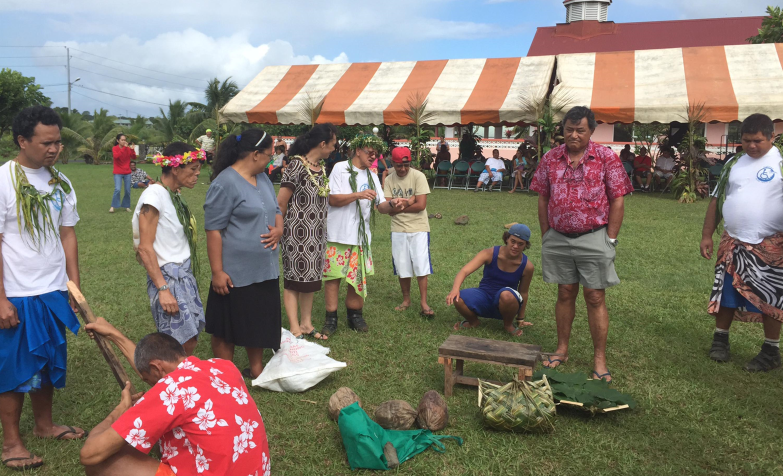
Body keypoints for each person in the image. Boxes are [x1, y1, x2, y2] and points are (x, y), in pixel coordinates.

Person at [0, 105, 85, 471]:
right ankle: (10, 443)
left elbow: (68, 234)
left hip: (52, 290)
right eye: (46, 142)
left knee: (48, 362)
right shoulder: (3, 180)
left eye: (58, 142)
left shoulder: (60, 182)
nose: (54, 149)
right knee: (14, 369)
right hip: (16, 293)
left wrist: (73, 285)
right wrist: (0, 298)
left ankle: (45, 426)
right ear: (22, 140)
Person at [79, 318, 270, 476]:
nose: (152, 387)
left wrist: (122, 409)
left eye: (149, 380)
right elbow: (152, 367)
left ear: (157, 368)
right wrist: (114, 334)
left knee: (103, 462)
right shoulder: (223, 367)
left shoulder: (170, 391)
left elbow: (89, 454)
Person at [530, 106, 634, 382]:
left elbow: (618, 198)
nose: (574, 135)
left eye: (580, 130)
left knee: (595, 296)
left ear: (591, 131)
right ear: (562, 130)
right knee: (564, 292)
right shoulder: (551, 159)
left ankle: (599, 359)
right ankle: (562, 349)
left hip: (594, 236)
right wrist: (546, 234)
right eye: (569, 130)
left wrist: (610, 238)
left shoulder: (605, 158)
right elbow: (542, 196)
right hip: (558, 237)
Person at [701, 113, 783, 372]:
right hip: (733, 243)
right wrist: (706, 234)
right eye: (746, 141)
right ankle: (720, 340)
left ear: (772, 137)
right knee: (727, 293)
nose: (751, 146)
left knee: (771, 299)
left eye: (758, 141)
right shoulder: (733, 163)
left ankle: (771, 350)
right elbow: (717, 200)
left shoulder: (781, 163)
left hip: (771, 246)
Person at [204, 129, 283, 379]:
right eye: (269, 155)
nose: (272, 160)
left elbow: (276, 208)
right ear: (255, 154)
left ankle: (256, 368)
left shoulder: (264, 179)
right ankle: (225, 376)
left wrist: (279, 229)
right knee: (226, 327)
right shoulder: (224, 183)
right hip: (235, 272)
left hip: (265, 268)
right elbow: (213, 230)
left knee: (258, 320)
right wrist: (217, 271)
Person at [321, 134, 405, 335]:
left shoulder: (373, 176)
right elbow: (332, 199)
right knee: (333, 277)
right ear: (358, 150)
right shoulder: (341, 169)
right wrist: (357, 195)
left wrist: (393, 204)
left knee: (357, 278)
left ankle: (355, 315)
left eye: (376, 154)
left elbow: (381, 206)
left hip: (360, 238)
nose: (373, 157)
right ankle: (331, 319)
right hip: (337, 234)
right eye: (370, 153)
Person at [132, 142, 206, 356]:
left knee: (189, 338)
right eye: (193, 169)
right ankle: (175, 384)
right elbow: (145, 248)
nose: (197, 174)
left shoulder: (173, 194)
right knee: (180, 342)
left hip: (182, 275)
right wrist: (163, 289)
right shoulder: (153, 196)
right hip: (168, 278)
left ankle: (181, 383)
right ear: (175, 168)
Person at [278, 124, 337, 341]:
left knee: (310, 281)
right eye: (332, 145)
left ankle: (306, 323)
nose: (333, 149)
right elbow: (281, 202)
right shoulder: (296, 166)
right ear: (322, 144)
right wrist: (278, 229)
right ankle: (294, 327)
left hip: (317, 235)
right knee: (294, 280)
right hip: (296, 234)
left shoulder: (321, 168)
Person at [446, 225, 535, 336]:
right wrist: (455, 290)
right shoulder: (490, 253)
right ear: (507, 238)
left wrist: (520, 319)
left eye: (520, 244)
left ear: (526, 245)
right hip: (484, 296)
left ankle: (508, 325)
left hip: (507, 302)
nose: (515, 246)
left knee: (506, 294)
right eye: (513, 241)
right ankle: (473, 322)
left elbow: (523, 292)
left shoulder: (527, 266)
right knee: (458, 298)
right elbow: (464, 271)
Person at [383, 147, 434, 317]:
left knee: (421, 265)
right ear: (393, 164)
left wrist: (400, 207)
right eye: (399, 166)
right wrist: (410, 200)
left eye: (406, 165)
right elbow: (387, 207)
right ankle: (406, 300)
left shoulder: (418, 176)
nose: (403, 169)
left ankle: (424, 302)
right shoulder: (389, 180)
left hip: (418, 227)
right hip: (398, 229)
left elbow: (421, 205)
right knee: (402, 265)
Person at [111, 133, 135, 213]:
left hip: (127, 172)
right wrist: (124, 148)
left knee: (127, 190)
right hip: (118, 172)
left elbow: (134, 157)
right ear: (118, 141)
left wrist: (132, 149)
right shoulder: (115, 148)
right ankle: (113, 206)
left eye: (125, 140)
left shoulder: (127, 149)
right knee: (117, 189)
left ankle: (126, 206)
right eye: (122, 140)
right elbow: (116, 156)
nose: (124, 141)